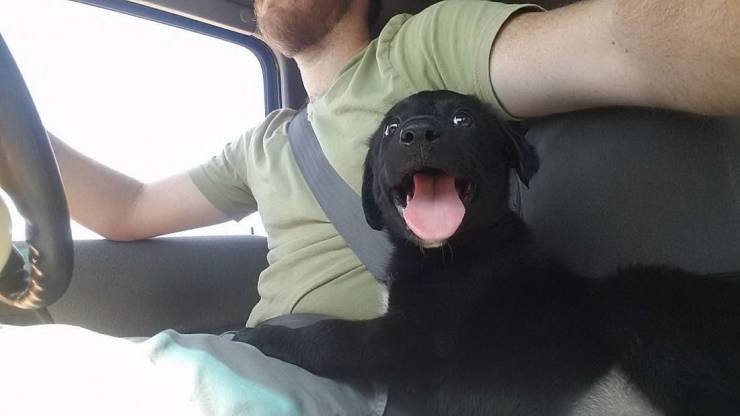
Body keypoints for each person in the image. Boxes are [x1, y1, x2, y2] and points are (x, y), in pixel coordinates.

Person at [3, 0, 739, 415]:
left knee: (140, 384)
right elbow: (126, 208)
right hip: (257, 353)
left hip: (384, 381)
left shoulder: (422, 48)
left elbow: (622, 44)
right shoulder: (260, 143)